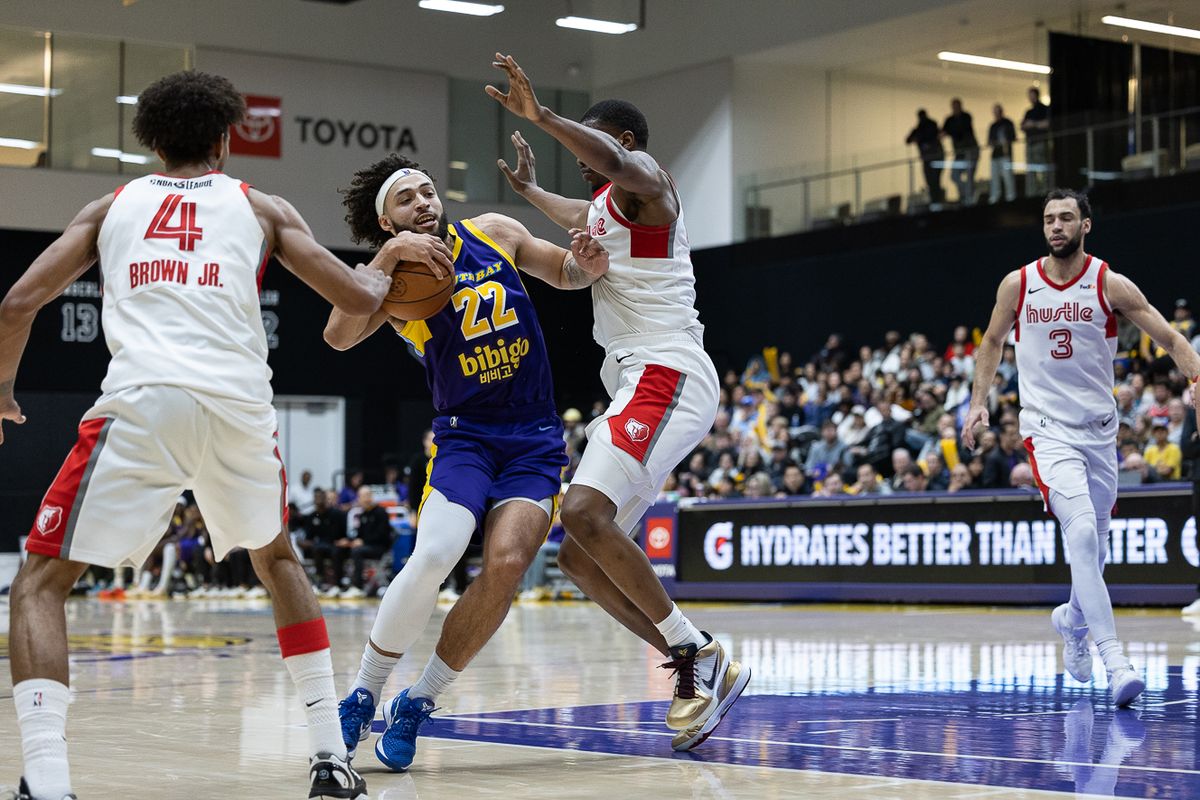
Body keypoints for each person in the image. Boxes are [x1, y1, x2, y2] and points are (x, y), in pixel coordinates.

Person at [0, 71, 397, 799]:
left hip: (143, 402)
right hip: (239, 409)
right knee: (277, 561)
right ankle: (331, 761)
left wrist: (0, 389)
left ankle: (48, 782)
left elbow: (18, 302)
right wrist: (394, 259)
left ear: (150, 141)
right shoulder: (262, 207)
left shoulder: (110, 206)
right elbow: (358, 297)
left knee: (39, 583)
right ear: (224, 138)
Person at [489, 52, 749, 752]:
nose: (586, 165)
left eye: (595, 149)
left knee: (580, 511)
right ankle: (694, 656)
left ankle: (695, 655)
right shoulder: (608, 207)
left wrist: (544, 117)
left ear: (624, 147)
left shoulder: (652, 183)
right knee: (580, 554)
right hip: (638, 381)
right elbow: (583, 211)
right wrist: (534, 192)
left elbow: (609, 166)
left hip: (667, 372)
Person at [326, 152, 599, 771]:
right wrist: (388, 259)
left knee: (505, 566)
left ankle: (418, 702)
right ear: (387, 221)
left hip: (533, 438)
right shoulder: (390, 282)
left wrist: (585, 260)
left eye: (428, 190)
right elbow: (339, 336)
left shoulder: (492, 232)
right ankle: (364, 692)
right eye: (406, 198)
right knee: (435, 553)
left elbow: (564, 272)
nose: (423, 200)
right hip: (466, 437)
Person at [963, 188, 1200, 706]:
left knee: (1095, 553)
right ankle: (1116, 660)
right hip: (1047, 430)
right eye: (1049, 219)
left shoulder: (1108, 283)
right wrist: (979, 401)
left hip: (1100, 433)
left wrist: (1197, 376)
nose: (1055, 226)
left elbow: (1171, 338)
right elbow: (991, 342)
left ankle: (1071, 621)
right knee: (1084, 534)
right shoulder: (1019, 283)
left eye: (1066, 218)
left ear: (1085, 225)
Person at [332, 486, 393, 598]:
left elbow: (382, 535)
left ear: (371, 497)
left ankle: (358, 587)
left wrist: (363, 541)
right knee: (339, 550)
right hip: (365, 546)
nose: (366, 499)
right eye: (362, 497)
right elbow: (359, 535)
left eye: (367, 496)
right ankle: (337, 586)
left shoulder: (381, 512)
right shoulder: (363, 514)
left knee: (357, 551)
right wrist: (349, 541)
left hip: (379, 548)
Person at [941, 98, 979, 206]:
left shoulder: (966, 116)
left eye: (957, 106)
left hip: (970, 150)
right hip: (959, 153)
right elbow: (943, 132)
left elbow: (961, 129)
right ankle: (966, 193)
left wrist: (949, 132)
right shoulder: (950, 119)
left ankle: (968, 197)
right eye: (953, 106)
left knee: (970, 175)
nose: (955, 109)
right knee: (954, 175)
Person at [906, 109, 945, 204]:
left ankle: (937, 200)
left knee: (934, 181)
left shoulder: (931, 125)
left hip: (935, 158)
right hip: (928, 159)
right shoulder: (919, 129)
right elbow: (908, 140)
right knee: (932, 181)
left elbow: (936, 135)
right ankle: (935, 200)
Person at [1021, 87, 1051, 195]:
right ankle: (1032, 192)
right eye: (1029, 95)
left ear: (1036, 95)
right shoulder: (1028, 112)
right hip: (1030, 144)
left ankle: (1045, 191)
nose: (1030, 97)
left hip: (1040, 143)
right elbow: (1022, 126)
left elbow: (1048, 124)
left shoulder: (1044, 109)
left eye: (1032, 95)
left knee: (1042, 168)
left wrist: (1033, 124)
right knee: (1031, 171)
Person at [987, 104, 1017, 203]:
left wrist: (1004, 142)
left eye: (998, 111)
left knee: (1008, 177)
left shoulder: (1008, 123)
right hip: (995, 155)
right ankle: (994, 198)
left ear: (1002, 111)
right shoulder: (993, 126)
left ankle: (1011, 198)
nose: (997, 113)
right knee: (994, 179)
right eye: (995, 111)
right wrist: (996, 143)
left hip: (1006, 155)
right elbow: (989, 141)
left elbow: (1013, 138)